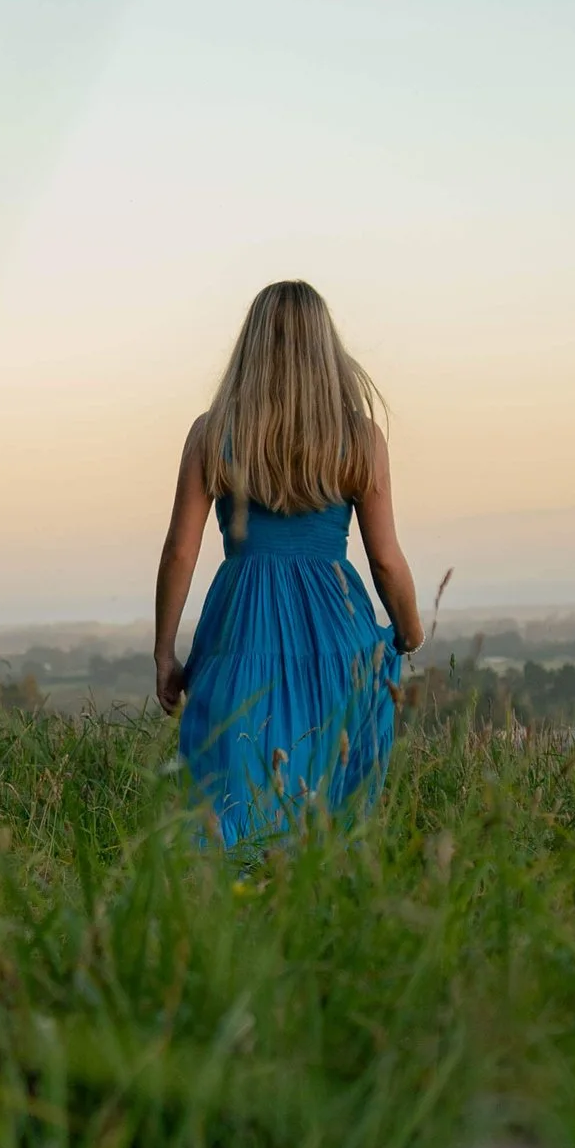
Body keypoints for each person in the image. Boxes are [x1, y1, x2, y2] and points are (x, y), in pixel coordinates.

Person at [154, 279, 424, 847]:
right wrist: (409, 631)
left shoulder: (212, 432)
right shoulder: (359, 438)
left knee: (230, 801)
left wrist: (163, 652)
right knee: (329, 815)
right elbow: (385, 561)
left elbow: (181, 548)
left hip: (239, 623)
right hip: (336, 625)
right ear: (325, 349)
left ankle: (235, 917)